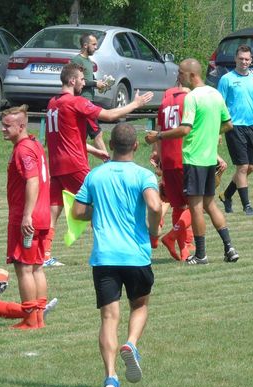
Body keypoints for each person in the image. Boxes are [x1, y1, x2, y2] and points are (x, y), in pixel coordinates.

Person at [71, 123, 161, 387]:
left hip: (105, 258)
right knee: (140, 306)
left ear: (110, 146)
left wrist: (97, 212)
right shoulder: (143, 175)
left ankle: (111, 376)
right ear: (136, 146)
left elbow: (77, 212)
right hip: (135, 255)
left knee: (109, 318)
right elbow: (155, 205)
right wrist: (154, 230)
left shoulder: (95, 175)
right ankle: (131, 343)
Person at [44, 62, 153, 267]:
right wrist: (135, 104)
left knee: (53, 210)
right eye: (82, 79)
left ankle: (43, 254)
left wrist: (94, 150)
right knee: (102, 205)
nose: (84, 83)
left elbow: (65, 137)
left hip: (56, 165)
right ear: (72, 80)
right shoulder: (75, 102)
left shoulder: (52, 103)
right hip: (75, 165)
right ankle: (111, 249)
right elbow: (110, 115)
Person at [145, 59, 239, 265]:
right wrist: (211, 131)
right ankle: (229, 248)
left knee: (195, 208)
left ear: (192, 75)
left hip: (194, 159)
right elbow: (228, 124)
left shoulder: (192, 97)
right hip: (208, 159)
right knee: (210, 205)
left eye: (181, 72)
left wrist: (158, 136)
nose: (178, 76)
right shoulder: (215, 94)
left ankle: (201, 255)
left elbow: (185, 129)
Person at [2, 104, 57, 329]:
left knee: (23, 267)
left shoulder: (23, 150)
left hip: (28, 218)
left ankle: (29, 318)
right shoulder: (35, 144)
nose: (3, 129)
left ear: (22, 126)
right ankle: (39, 317)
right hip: (43, 215)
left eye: (7, 126)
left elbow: (32, 180)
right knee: (36, 266)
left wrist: (26, 216)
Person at [218, 44, 253, 216]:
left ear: (251, 61)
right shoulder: (226, 79)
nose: (244, 61)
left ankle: (227, 195)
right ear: (235, 59)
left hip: (251, 127)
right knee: (242, 166)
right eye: (241, 58)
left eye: (247, 59)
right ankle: (247, 205)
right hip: (233, 127)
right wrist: (218, 130)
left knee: (249, 167)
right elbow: (219, 106)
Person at [151, 84, 195, 261]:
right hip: (185, 157)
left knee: (178, 206)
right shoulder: (189, 100)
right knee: (199, 204)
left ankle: (184, 250)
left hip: (168, 160)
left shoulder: (164, 103)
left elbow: (158, 133)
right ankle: (171, 236)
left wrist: (160, 159)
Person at [71, 33, 107, 154]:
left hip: (88, 101)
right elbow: (77, 81)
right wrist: (95, 84)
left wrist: (100, 83)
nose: (96, 47)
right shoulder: (77, 60)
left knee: (81, 137)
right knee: (97, 133)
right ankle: (108, 161)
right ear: (85, 45)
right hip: (82, 102)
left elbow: (88, 79)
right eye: (94, 44)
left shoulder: (89, 61)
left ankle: (76, 158)